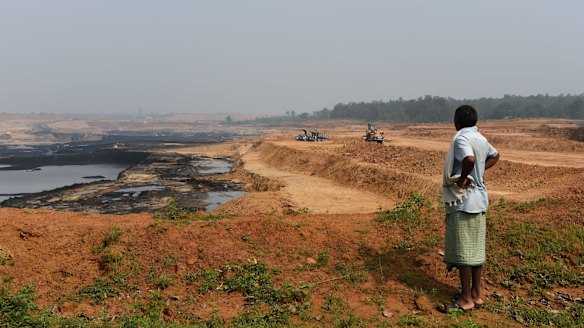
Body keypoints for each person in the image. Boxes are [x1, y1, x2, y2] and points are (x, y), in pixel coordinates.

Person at [437, 105, 500, 313]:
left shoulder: (461, 138)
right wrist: (480, 171)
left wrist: (464, 177)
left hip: (464, 201)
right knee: (476, 250)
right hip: (480, 201)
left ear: (456, 122)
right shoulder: (480, 138)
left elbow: (469, 159)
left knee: (465, 252)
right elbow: (495, 155)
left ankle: (465, 299)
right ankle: (476, 294)